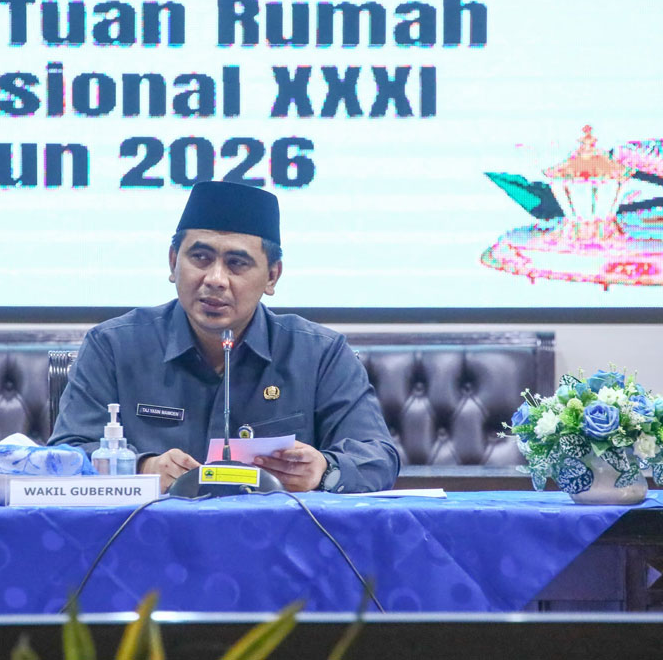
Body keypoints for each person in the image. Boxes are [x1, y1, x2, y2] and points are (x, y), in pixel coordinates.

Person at [49, 181, 400, 493]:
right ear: (173, 262)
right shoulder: (113, 346)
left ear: (272, 277)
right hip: (149, 539)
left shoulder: (319, 354)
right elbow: (66, 454)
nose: (215, 279)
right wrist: (141, 468)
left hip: (280, 540)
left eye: (237, 263)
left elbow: (377, 457)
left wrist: (324, 470)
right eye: (200, 258)